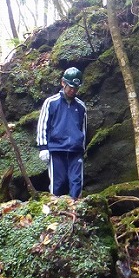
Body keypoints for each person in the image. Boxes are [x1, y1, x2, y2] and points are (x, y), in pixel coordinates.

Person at [36, 67, 88, 199]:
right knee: (58, 182)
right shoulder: (51, 102)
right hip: (56, 149)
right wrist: (43, 147)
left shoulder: (81, 106)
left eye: (76, 88)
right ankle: (55, 211)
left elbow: (83, 128)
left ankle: (76, 210)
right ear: (63, 83)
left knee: (76, 182)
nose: (73, 90)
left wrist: (82, 148)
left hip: (75, 150)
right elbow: (43, 124)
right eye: (70, 87)